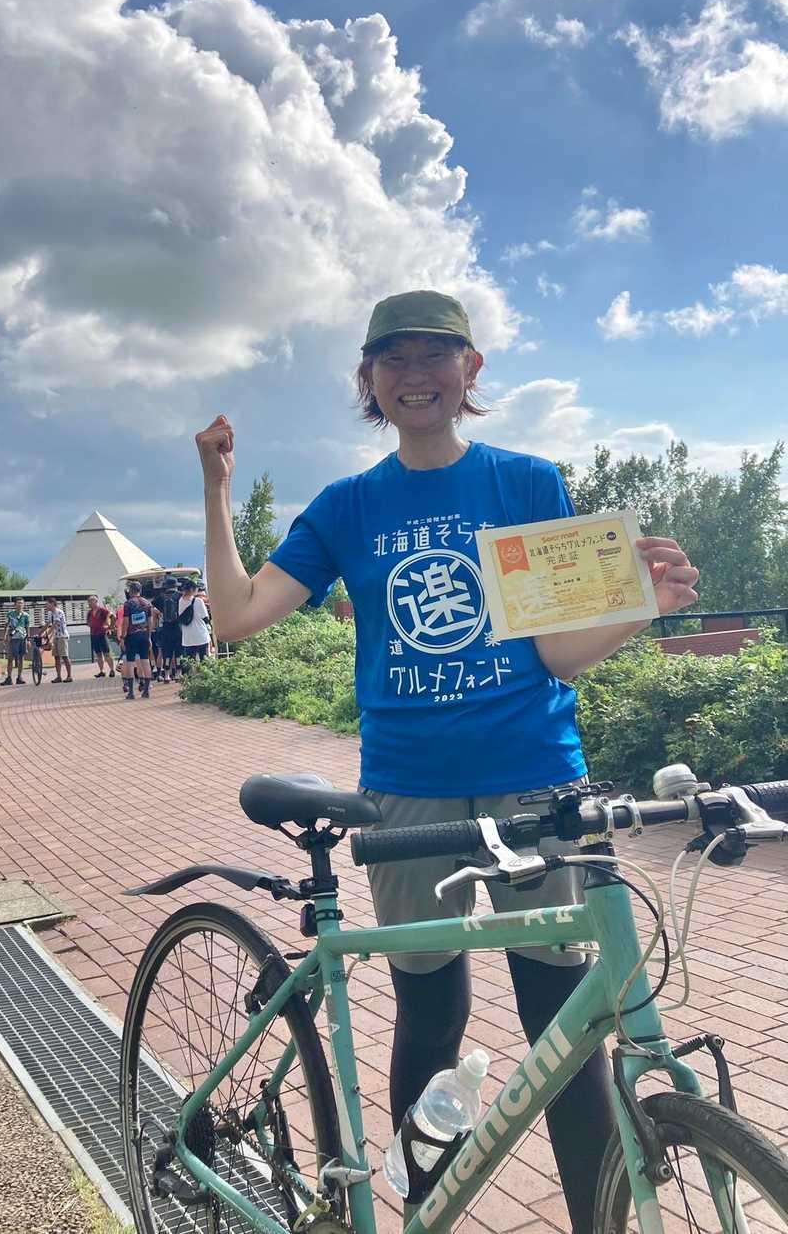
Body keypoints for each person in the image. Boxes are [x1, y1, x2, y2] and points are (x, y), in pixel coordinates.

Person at [196, 289, 700, 1234]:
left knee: (566, 1031)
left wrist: (645, 606)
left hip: (537, 782)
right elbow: (236, 614)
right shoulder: (347, 506)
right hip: (409, 795)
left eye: (437, 354)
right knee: (431, 1016)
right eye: (394, 358)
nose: (416, 374)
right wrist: (218, 487)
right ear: (369, 380)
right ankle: (427, 1215)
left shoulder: (527, 483)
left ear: (471, 370)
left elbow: (554, 653)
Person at [117, 580, 155, 699]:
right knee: (145, 661)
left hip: (131, 636)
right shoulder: (147, 603)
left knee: (130, 663)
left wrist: (123, 637)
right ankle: (146, 690)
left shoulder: (128, 604)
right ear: (140, 590)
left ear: (130, 591)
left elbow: (126, 621)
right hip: (144, 635)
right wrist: (149, 636)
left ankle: (131, 692)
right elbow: (150, 621)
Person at [154, 576, 183, 682]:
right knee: (178, 652)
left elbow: (154, 606)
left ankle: (166, 675)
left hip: (166, 628)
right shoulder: (180, 596)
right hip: (178, 627)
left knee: (167, 652)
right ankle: (178, 674)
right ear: (176, 586)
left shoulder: (160, 597)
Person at [177, 578, 211, 665]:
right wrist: (209, 625)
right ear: (192, 589)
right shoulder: (198, 601)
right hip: (200, 635)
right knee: (204, 660)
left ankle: (192, 673)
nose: (197, 590)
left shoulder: (180, 601)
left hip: (188, 637)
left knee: (191, 661)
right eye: (196, 588)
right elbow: (205, 617)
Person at [1, 596, 30, 686]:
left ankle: (19, 677)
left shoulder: (26, 615)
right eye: (18, 603)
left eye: (21, 603)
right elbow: (6, 625)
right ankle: (9, 677)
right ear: (15, 604)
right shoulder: (10, 614)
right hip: (13, 638)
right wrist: (4, 636)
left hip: (22, 638)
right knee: (10, 658)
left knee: (21, 658)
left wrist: (28, 639)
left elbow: (27, 627)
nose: (20, 605)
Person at [86, 595, 117, 677]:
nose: (89, 603)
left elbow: (113, 617)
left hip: (102, 634)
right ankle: (101, 671)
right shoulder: (89, 612)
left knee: (106, 653)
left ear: (96, 602)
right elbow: (88, 622)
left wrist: (110, 627)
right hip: (93, 634)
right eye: (89, 602)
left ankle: (112, 670)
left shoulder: (102, 610)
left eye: (91, 602)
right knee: (98, 653)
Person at [45, 597, 73, 683]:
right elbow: (47, 624)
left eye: (47, 604)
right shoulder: (51, 614)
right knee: (56, 657)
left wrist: (47, 634)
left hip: (62, 636)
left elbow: (55, 624)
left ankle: (69, 676)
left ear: (52, 604)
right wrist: (40, 633)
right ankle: (59, 677)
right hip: (56, 637)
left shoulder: (58, 612)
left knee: (64, 656)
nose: (46, 606)